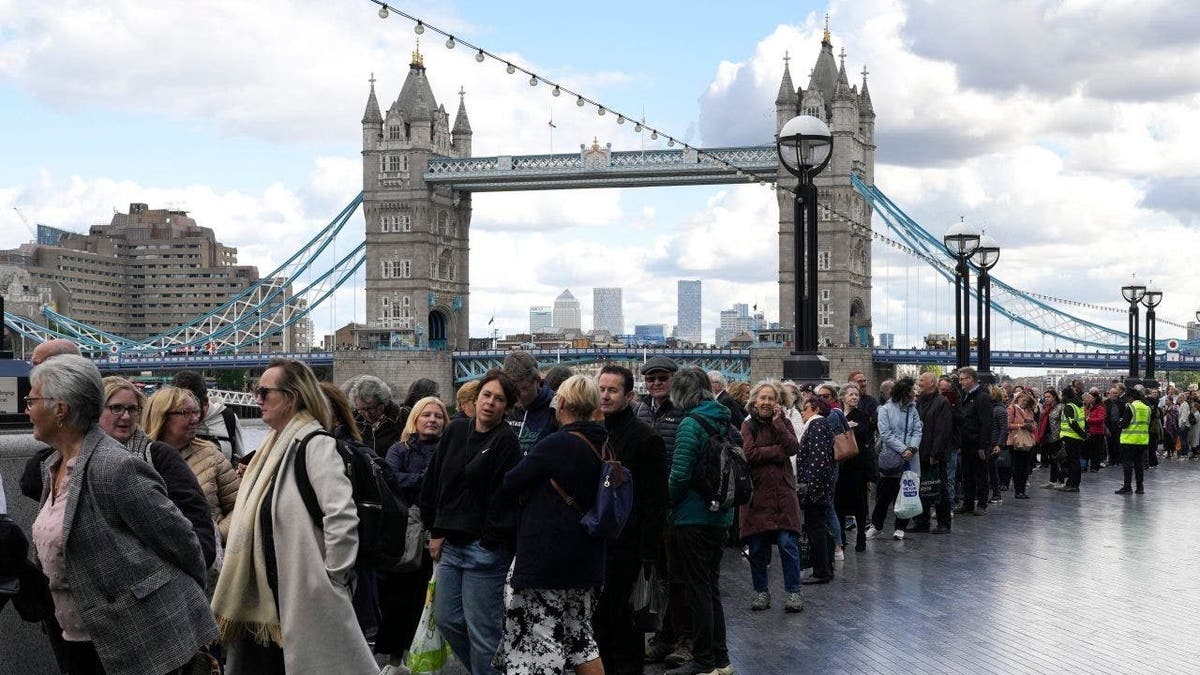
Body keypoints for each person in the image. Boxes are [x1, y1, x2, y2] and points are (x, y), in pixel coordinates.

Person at [28, 354, 216, 675]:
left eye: (32, 400)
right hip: (76, 632)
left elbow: (183, 543)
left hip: (134, 640)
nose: (27, 409)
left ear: (60, 410)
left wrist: (189, 612)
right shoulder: (55, 465)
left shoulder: (114, 467)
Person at [211, 358, 378, 674]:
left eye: (263, 391)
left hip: (303, 595)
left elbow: (341, 516)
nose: (257, 398)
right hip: (264, 601)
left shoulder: (315, 445)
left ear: (292, 396)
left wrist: (332, 578)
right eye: (255, 391)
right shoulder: (271, 448)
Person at [494, 375, 608, 674]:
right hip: (587, 559)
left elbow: (511, 481)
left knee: (542, 643)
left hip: (546, 561)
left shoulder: (555, 444)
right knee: (582, 639)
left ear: (562, 405)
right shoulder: (605, 444)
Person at [418, 370, 522, 675]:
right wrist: (435, 530)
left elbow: (503, 500)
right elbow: (435, 482)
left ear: (506, 407)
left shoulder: (506, 442)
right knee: (448, 619)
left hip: (484, 550)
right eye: (486, 395)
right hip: (450, 545)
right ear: (475, 400)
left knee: (483, 632)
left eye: (499, 399)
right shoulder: (455, 432)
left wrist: (489, 540)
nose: (490, 403)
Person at [593, 365, 667, 675]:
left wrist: (647, 554)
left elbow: (655, 501)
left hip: (627, 547)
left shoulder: (645, 438)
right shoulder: (593, 432)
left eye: (612, 390)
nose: (605, 396)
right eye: (601, 389)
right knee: (599, 625)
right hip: (596, 544)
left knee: (624, 627)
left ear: (629, 395)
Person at [100, 377, 215, 568]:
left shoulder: (159, 455)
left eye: (132, 409)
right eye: (117, 408)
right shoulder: (70, 459)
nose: (126, 416)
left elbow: (198, 520)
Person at [663, 367, 733, 675]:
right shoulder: (722, 418)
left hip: (693, 516)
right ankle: (721, 659)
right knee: (710, 587)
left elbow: (679, 474)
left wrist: (666, 505)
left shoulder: (690, 423)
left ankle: (703, 660)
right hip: (720, 515)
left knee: (697, 590)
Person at [377, 396, 448, 674]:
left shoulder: (449, 449)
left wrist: (416, 480)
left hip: (438, 531)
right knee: (397, 601)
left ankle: (426, 661)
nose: (432, 420)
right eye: (426, 415)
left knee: (429, 602)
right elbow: (391, 480)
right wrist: (427, 479)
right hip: (405, 534)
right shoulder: (399, 449)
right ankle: (395, 662)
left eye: (438, 416)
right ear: (415, 420)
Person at [637, 355, 692, 668]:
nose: (656, 383)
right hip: (648, 508)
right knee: (658, 576)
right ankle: (663, 634)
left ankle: (684, 638)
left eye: (662, 378)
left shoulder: (683, 412)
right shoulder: (641, 410)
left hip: (675, 506)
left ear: (673, 379)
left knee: (679, 577)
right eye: (651, 378)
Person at [143, 387, 241, 552]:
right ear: (162, 416)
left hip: (208, 561)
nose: (195, 419)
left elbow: (239, 507)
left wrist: (214, 536)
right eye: (186, 413)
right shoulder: (138, 457)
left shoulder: (211, 456)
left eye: (196, 412)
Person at [739, 381, 803, 613]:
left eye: (771, 398)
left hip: (783, 494)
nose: (766, 402)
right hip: (758, 495)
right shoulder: (748, 425)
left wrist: (777, 426)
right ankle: (761, 591)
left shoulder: (783, 422)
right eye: (762, 398)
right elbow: (750, 454)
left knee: (788, 544)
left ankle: (794, 592)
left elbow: (793, 447)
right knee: (757, 547)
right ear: (755, 400)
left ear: (778, 402)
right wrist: (778, 451)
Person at [869, 377, 923, 540]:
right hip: (893, 456)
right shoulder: (885, 410)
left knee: (907, 492)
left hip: (910, 458)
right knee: (884, 495)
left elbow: (917, 430)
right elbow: (885, 434)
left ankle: (901, 527)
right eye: (911, 392)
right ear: (902, 393)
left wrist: (912, 448)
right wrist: (903, 449)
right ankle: (877, 525)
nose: (914, 394)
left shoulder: (913, 409)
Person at [795, 396, 837, 583]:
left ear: (816, 409)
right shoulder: (816, 425)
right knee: (818, 527)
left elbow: (818, 460)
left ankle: (822, 571)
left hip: (815, 489)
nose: (803, 412)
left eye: (806, 408)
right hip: (817, 487)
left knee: (816, 528)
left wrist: (810, 487)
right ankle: (825, 568)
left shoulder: (817, 425)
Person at [834, 383, 875, 551]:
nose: (854, 397)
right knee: (839, 503)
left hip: (857, 465)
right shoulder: (836, 415)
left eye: (856, 395)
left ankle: (861, 537)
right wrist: (847, 427)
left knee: (860, 502)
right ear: (842, 397)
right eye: (850, 394)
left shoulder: (862, 415)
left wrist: (849, 429)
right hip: (840, 465)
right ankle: (841, 538)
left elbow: (864, 434)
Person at [173, 370, 245, 462]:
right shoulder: (170, 419)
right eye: (183, 412)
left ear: (205, 403)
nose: (191, 419)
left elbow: (240, 458)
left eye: (195, 411)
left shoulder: (228, 418)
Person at [913, 372, 952, 532]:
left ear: (931, 383)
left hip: (934, 455)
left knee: (939, 488)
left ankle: (944, 523)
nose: (919, 382)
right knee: (922, 488)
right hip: (920, 453)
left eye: (922, 380)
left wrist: (935, 454)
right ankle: (922, 522)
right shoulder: (919, 401)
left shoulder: (942, 402)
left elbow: (942, 430)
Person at [502, 350, 558, 455]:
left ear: (537, 381)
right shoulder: (502, 407)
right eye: (512, 389)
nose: (515, 396)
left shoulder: (555, 410)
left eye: (523, 389)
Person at [954, 368, 993, 516]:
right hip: (965, 443)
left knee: (980, 475)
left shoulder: (982, 397)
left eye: (962, 379)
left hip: (977, 444)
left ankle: (982, 504)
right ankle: (968, 503)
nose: (960, 382)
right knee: (967, 475)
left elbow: (986, 423)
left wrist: (983, 446)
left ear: (971, 379)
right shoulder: (965, 395)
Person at [351, 375, 406, 457]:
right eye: (361, 409)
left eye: (370, 408)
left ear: (384, 402)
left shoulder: (402, 417)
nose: (367, 414)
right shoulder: (353, 418)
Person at [1116, 385, 1151, 495]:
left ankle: (1127, 487)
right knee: (1139, 465)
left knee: (1127, 465)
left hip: (1129, 440)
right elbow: (1148, 424)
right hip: (1142, 441)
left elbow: (1125, 424)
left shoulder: (1130, 407)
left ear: (1131, 397)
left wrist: (1119, 422)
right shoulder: (1147, 408)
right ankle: (1140, 488)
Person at [1007, 391, 1037, 499]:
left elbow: (1034, 425)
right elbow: (1008, 425)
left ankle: (1022, 490)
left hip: (1028, 441)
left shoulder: (1029, 410)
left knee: (1025, 467)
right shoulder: (1012, 409)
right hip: (1015, 442)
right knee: (1017, 467)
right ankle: (1018, 490)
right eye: (1023, 400)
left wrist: (1031, 426)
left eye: (1026, 401)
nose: (1024, 403)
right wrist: (1021, 425)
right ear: (1018, 398)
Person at [1058, 387, 1086, 493]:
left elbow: (1072, 422)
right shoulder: (1078, 406)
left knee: (1072, 462)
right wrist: (1083, 435)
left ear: (1065, 396)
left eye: (1062, 395)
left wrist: (1083, 434)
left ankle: (1073, 484)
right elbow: (1083, 421)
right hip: (1077, 438)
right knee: (1075, 461)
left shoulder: (1068, 407)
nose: (1060, 397)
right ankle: (1072, 482)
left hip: (1070, 437)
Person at [987, 385, 1009, 504]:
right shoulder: (996, 408)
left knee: (991, 468)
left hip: (994, 443)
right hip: (992, 442)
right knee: (991, 468)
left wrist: (999, 444)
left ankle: (996, 494)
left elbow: (1003, 429)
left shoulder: (999, 409)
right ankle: (996, 494)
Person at [1084, 390, 1107, 472]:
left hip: (1097, 432)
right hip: (1089, 432)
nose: (1089, 399)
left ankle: (1095, 467)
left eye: (1091, 397)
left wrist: (1089, 419)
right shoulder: (1088, 408)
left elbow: (1100, 419)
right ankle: (1088, 466)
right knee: (1089, 450)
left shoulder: (1100, 407)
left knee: (1096, 450)